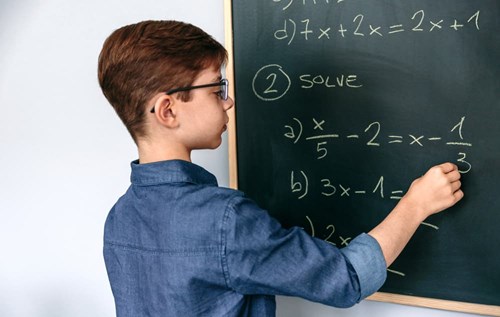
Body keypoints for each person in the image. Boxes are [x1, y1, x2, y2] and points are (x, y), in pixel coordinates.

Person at [97, 20, 464, 316]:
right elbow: (346, 278)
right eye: (216, 89)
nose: (229, 101)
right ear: (168, 110)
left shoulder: (120, 218)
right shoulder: (226, 221)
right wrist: (417, 203)